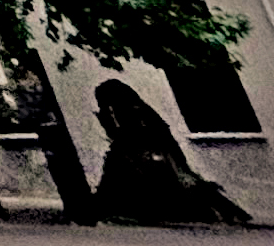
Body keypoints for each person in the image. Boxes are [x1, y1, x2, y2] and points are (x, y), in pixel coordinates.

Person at [88, 79, 250, 229]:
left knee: (182, 181)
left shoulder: (129, 110)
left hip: (152, 153)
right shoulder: (135, 109)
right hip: (155, 152)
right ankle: (230, 213)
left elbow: (133, 134)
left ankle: (227, 213)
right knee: (187, 180)